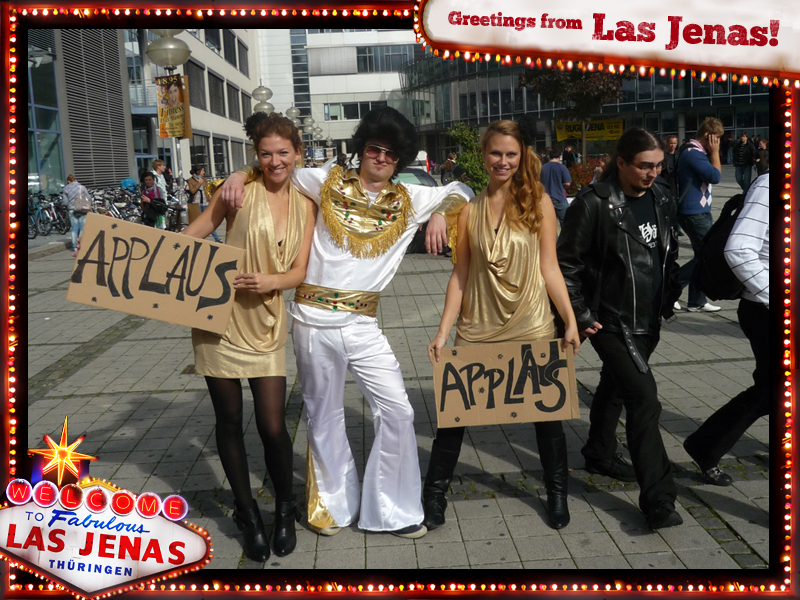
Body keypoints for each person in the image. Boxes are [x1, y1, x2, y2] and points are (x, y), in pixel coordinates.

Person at [220, 106, 474, 539]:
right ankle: (333, 508)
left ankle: (391, 510)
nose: (381, 158)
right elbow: (277, 167)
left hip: (362, 325)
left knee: (398, 410)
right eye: (374, 149)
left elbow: (462, 188)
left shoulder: (411, 199)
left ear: (400, 158)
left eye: (391, 154)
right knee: (323, 416)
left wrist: (439, 212)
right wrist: (239, 173)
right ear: (361, 148)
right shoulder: (326, 180)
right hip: (311, 320)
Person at [425, 121, 580, 531]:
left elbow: (550, 268)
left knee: (547, 420)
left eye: (511, 154)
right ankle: (434, 496)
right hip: (478, 326)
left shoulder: (538, 202)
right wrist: (443, 331)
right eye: (496, 153)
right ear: (483, 155)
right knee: (453, 418)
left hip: (532, 322)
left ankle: (557, 495)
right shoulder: (468, 210)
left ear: (521, 156)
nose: (503, 161)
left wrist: (569, 321)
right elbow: (460, 275)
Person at [183, 113, 317, 562]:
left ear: (298, 153)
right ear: (255, 155)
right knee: (228, 419)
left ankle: (285, 508)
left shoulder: (307, 203)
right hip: (218, 319)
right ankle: (247, 514)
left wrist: (271, 282)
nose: (275, 161)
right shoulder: (237, 191)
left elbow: (300, 269)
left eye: (283, 152)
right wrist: (132, 256)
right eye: (265, 153)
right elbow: (195, 232)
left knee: (272, 425)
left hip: (266, 320)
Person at [557, 127, 683, 530]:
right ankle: (659, 499)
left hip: (649, 318)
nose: (653, 173)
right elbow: (565, 266)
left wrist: (671, 291)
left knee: (616, 385)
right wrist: (581, 314)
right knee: (644, 399)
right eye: (644, 166)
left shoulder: (662, 197)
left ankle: (598, 451)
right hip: (611, 321)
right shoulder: (593, 203)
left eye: (658, 165)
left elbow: (668, 251)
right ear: (622, 162)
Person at [683, 173, 769, 486]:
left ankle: (705, 446)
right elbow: (739, 249)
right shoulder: (771, 185)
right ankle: (705, 446)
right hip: (766, 311)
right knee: (772, 391)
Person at [674, 117, 723, 313]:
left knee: (701, 256)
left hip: (699, 211)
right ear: (707, 136)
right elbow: (716, 176)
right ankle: (671, 288)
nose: (718, 142)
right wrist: (716, 153)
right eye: (717, 138)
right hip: (694, 213)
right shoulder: (693, 153)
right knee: (708, 254)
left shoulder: (697, 153)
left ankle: (696, 300)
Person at [187, 165, 222, 242]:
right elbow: (192, 191)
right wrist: (199, 183)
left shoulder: (204, 179)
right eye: (202, 171)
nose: (204, 172)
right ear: (198, 172)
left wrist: (211, 200)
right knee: (197, 222)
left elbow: (207, 191)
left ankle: (217, 239)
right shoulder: (191, 180)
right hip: (196, 204)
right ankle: (197, 238)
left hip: (205, 202)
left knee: (209, 221)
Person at [539, 149, 572, 224]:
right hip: (559, 197)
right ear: (559, 157)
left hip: (545, 198)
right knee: (566, 221)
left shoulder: (543, 168)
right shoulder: (562, 167)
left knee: (547, 223)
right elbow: (567, 183)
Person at [61, 174, 87, 257]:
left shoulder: (66, 188)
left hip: (72, 210)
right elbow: (88, 198)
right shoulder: (82, 187)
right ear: (75, 180)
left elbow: (65, 202)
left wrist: (66, 205)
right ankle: (82, 244)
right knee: (82, 228)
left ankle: (75, 247)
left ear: (69, 181)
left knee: (74, 229)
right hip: (82, 209)